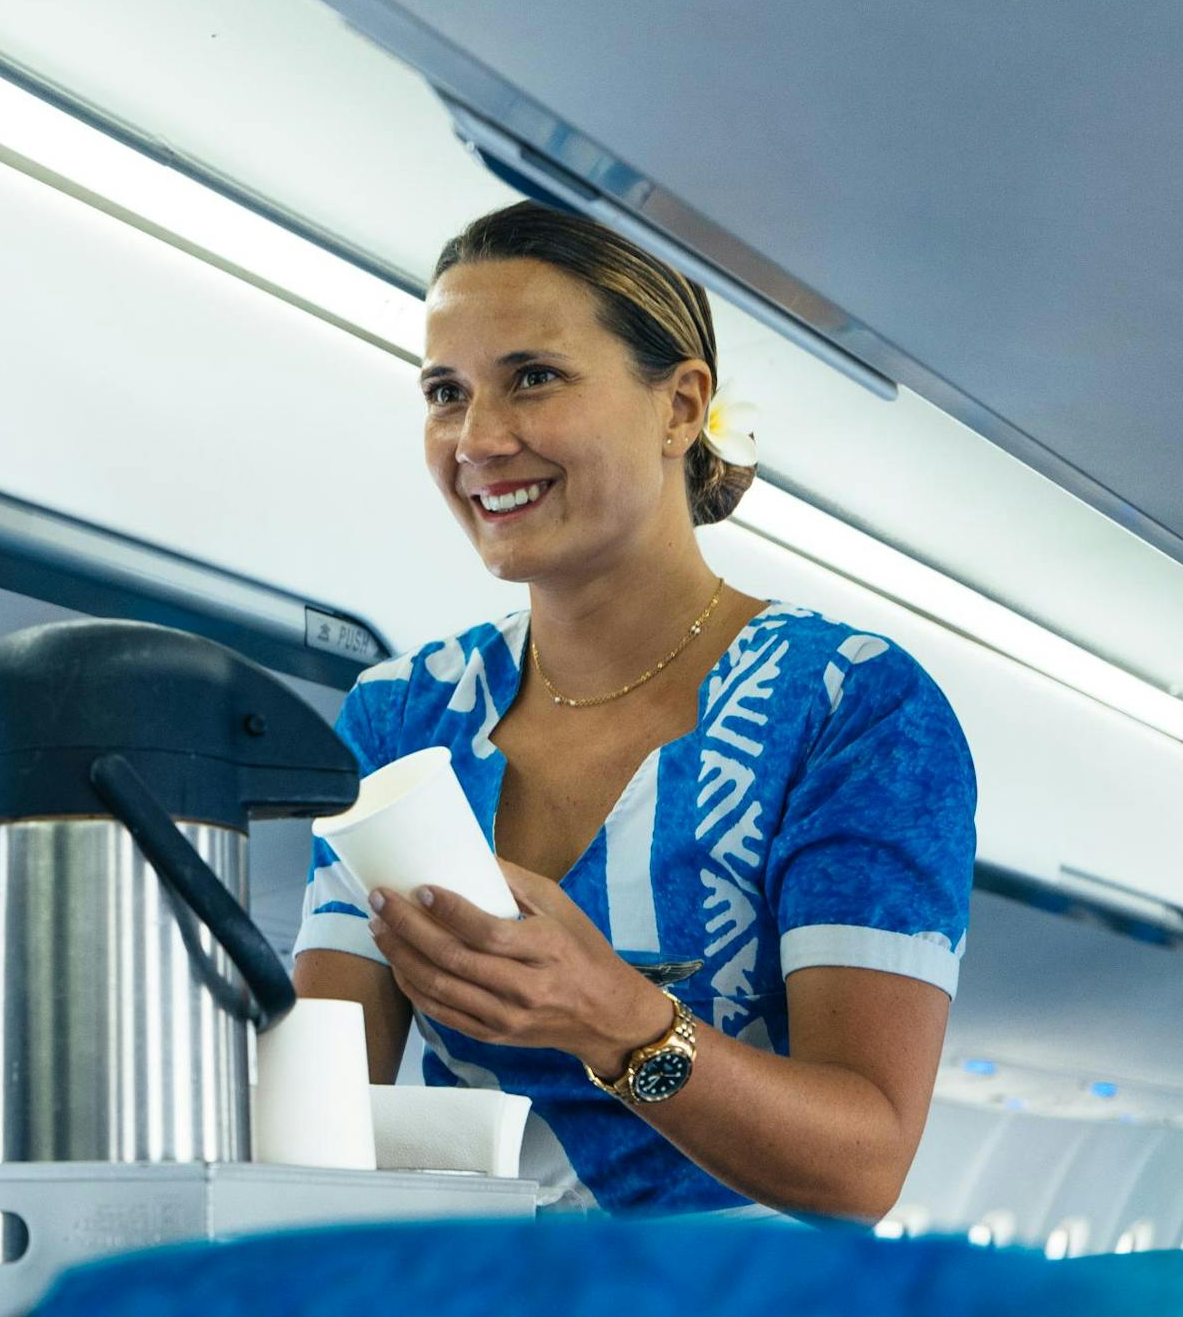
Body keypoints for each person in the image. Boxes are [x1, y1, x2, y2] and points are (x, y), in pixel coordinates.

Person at [292, 204, 975, 1219]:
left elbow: (859, 1166)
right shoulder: (404, 714)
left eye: (534, 376)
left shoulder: (848, 706)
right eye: (446, 392)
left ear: (679, 405)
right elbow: (316, 1123)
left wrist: (620, 1022)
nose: (478, 439)